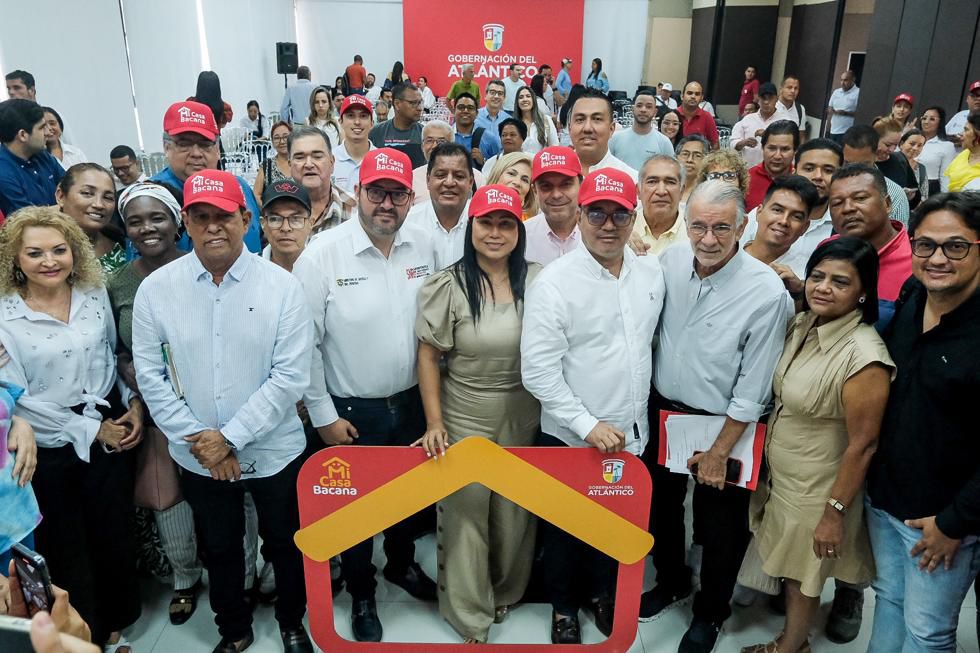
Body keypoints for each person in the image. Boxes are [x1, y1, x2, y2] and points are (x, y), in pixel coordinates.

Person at [131, 169, 314, 653]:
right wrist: (204, 442)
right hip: (198, 454)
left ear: (245, 220)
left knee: (285, 541)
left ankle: (292, 622)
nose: (213, 226)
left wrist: (229, 437)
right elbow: (151, 376)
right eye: (200, 217)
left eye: (224, 216)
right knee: (220, 545)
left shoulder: (282, 287)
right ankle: (234, 629)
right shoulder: (157, 290)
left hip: (273, 450)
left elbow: (289, 376)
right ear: (185, 223)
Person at [641, 180, 794, 653]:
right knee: (661, 510)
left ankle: (710, 612)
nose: (708, 240)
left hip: (726, 425)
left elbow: (753, 388)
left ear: (743, 226)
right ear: (685, 224)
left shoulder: (766, 293)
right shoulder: (668, 262)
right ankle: (672, 580)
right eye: (699, 227)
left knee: (723, 527)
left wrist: (720, 450)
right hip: (666, 413)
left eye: (721, 228)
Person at [292, 148, 438, 643]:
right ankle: (361, 591)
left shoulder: (424, 247)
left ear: (410, 199)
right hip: (351, 411)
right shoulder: (322, 255)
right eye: (377, 192)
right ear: (357, 193)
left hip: (412, 402)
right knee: (353, 510)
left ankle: (401, 564)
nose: (387, 204)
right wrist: (323, 416)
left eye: (397, 194)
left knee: (406, 499)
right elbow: (304, 345)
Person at [522, 167, 665, 644]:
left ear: (633, 218)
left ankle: (602, 595)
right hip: (571, 436)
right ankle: (563, 609)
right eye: (597, 213)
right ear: (580, 215)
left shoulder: (650, 273)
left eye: (619, 215)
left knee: (614, 524)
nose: (608, 224)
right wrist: (587, 425)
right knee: (564, 529)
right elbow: (538, 372)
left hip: (631, 433)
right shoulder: (554, 284)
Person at [0, 206, 143, 650]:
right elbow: (16, 396)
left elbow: (110, 356)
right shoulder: (4, 313)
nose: (49, 261)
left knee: (113, 531)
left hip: (108, 424)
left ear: (74, 251)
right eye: (35, 253)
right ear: (15, 258)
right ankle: (86, 633)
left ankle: (118, 621)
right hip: (46, 444)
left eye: (59, 250)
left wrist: (132, 401)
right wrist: (90, 431)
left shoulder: (93, 293)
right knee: (67, 545)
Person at [741, 237, 894, 653]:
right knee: (791, 568)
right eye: (817, 276)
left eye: (840, 281)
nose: (823, 287)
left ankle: (791, 647)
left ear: (863, 292)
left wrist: (834, 514)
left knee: (802, 577)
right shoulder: (806, 324)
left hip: (818, 489)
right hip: (785, 478)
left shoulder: (864, 356)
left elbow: (864, 445)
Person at [413, 184, 539, 644]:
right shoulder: (448, 285)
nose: (495, 233)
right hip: (464, 413)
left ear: (519, 231)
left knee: (514, 514)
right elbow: (429, 356)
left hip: (524, 415)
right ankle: (468, 614)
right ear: (471, 228)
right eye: (486, 223)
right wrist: (435, 422)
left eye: (506, 224)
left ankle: (504, 591)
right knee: (465, 517)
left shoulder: (539, 281)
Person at [869, 191, 980, 651]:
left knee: (927, 632)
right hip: (885, 499)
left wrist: (954, 523)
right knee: (889, 599)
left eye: (956, 246)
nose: (937, 259)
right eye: (925, 245)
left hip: (942, 519)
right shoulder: (914, 295)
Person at [107, 181, 210, 628]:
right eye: (135, 222)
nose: (147, 228)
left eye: (157, 218)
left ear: (177, 222)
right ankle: (184, 577)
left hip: (211, 400)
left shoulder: (203, 265)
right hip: (154, 407)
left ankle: (240, 572)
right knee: (169, 495)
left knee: (225, 491)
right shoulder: (117, 283)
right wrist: (126, 366)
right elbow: (111, 346)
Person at [151, 100, 263, 252]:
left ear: (217, 149)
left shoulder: (239, 186)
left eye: (205, 144)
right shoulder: (151, 198)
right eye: (184, 144)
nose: (196, 153)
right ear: (166, 147)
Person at [743, 139, 843, 292]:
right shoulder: (757, 217)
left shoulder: (841, 230)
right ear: (794, 170)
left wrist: (800, 290)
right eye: (809, 168)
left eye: (828, 170)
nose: (818, 176)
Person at [829, 163, 913, 331]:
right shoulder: (827, 249)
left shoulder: (916, 261)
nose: (848, 209)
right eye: (837, 203)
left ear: (887, 204)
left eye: (860, 198)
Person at [407, 143, 474, 269]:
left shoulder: (482, 221)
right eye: (440, 175)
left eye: (459, 176)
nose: (449, 182)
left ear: (470, 182)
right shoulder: (408, 223)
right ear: (428, 180)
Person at [742, 175, 820, 278]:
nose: (784, 221)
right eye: (777, 210)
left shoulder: (804, 275)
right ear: (759, 212)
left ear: (805, 227)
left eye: (796, 217)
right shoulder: (727, 255)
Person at [54, 164, 126, 273]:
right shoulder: (43, 248)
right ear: (61, 196)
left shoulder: (121, 242)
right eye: (87, 193)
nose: (99, 205)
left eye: (108, 197)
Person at [0, 99, 64, 217]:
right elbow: (29, 218)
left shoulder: (42, 154)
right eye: (42, 127)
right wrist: (71, 206)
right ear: (23, 135)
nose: (48, 132)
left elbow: (70, 184)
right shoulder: (3, 173)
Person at [288, 125, 354, 235]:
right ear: (289, 165)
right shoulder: (277, 211)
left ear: (332, 162)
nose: (309, 164)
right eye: (300, 157)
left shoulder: (355, 208)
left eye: (317, 156)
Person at [841, 125, 911, 225]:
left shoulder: (895, 195)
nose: (854, 172)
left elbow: (898, 234)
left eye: (863, 166)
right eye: (848, 164)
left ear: (876, 155)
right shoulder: (831, 186)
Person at [524, 146, 583, 264]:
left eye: (565, 184)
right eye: (546, 186)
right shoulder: (521, 237)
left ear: (581, 185)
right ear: (535, 190)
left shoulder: (601, 235)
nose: (556, 195)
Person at [411, 121, 485, 206]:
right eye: (429, 141)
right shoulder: (413, 177)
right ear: (422, 146)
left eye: (441, 141)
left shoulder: (476, 177)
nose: (434, 146)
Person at [568, 89, 637, 176]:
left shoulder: (630, 178)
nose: (587, 128)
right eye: (580, 120)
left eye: (597, 119)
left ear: (611, 129)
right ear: (569, 128)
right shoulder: (553, 175)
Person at [632, 155, 688, 255]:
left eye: (670, 182)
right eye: (652, 182)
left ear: (681, 191)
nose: (661, 191)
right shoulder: (623, 229)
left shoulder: (695, 232)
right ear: (638, 191)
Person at [609, 89, 675, 171]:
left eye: (648, 107)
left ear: (655, 112)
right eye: (639, 105)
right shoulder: (615, 138)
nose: (643, 110)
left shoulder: (664, 142)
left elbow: (671, 172)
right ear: (632, 109)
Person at [259, 178, 313, 271]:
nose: (285, 228)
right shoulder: (248, 270)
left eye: (295, 219)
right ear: (263, 224)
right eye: (275, 219)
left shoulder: (325, 268)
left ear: (311, 223)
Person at [745, 120, 800, 211]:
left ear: (795, 151)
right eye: (772, 148)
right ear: (762, 148)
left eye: (785, 149)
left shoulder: (801, 180)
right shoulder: (746, 178)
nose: (777, 156)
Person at [369, 82, 425, 168]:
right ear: (397, 104)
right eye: (413, 103)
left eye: (420, 102)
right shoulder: (377, 132)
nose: (419, 108)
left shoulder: (425, 134)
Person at [332, 95, 376, 197]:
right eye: (350, 116)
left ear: (372, 123)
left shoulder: (381, 161)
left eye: (363, 116)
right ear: (340, 122)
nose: (357, 122)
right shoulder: (329, 159)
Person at [731, 82, 780, 168]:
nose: (766, 102)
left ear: (776, 99)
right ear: (758, 100)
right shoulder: (747, 119)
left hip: (774, 171)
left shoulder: (784, 121)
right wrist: (743, 142)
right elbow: (732, 143)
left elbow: (789, 146)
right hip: (748, 170)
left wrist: (768, 135)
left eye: (770, 98)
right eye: (763, 98)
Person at [873, 118, 918, 198]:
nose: (892, 149)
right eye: (888, 145)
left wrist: (910, 196)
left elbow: (915, 189)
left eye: (896, 145)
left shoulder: (901, 159)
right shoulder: (863, 163)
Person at [917, 106, 956, 194]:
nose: (926, 122)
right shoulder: (912, 140)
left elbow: (945, 176)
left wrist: (944, 198)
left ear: (940, 122)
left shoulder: (947, 146)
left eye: (932, 119)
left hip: (930, 189)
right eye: (924, 118)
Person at [485, 151, 537, 218]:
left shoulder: (532, 222)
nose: (517, 182)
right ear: (496, 175)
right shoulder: (474, 213)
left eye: (525, 180)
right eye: (511, 174)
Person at [452, 93, 497, 168]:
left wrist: (484, 162)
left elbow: (498, 167)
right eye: (461, 107)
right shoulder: (445, 136)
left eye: (470, 108)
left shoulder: (489, 138)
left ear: (477, 113)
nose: (465, 111)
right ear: (453, 111)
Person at [253, 120, 293, 201]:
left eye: (285, 137)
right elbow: (256, 194)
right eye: (277, 138)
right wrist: (266, 208)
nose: (282, 141)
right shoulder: (267, 165)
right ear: (272, 142)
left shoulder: (301, 162)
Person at [942, 113, 980, 191]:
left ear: (978, 135)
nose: (961, 134)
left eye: (966, 130)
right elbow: (947, 181)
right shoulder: (963, 155)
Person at [515, 86, 558, 155]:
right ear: (517, 102)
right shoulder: (514, 124)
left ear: (533, 100)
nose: (525, 99)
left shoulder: (546, 120)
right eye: (521, 97)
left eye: (528, 96)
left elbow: (555, 147)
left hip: (542, 161)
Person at [678, 82, 719, 149]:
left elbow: (715, 143)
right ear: (682, 96)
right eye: (689, 93)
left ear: (701, 98)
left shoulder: (707, 117)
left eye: (697, 94)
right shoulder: (673, 115)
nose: (693, 97)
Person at [944, 79, 980, 148]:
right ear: (967, 99)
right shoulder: (960, 115)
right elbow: (943, 136)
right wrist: (953, 139)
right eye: (974, 95)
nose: (978, 99)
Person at [827, 71, 859, 143]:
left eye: (845, 80)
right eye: (841, 80)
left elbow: (861, 113)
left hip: (847, 131)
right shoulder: (836, 92)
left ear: (853, 80)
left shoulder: (858, 93)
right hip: (833, 129)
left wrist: (845, 113)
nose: (842, 83)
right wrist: (831, 111)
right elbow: (830, 107)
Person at [676, 135, 709, 206]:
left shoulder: (709, 192)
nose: (689, 160)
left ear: (706, 160)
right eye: (685, 154)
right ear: (677, 157)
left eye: (697, 155)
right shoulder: (668, 188)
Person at [900, 128, 930, 206]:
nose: (915, 148)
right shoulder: (890, 162)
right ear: (902, 144)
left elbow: (924, 196)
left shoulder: (921, 169)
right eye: (912, 144)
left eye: (919, 146)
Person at [306, 86, 341, 150]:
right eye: (317, 102)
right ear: (313, 104)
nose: (320, 105)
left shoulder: (337, 121)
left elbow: (342, 146)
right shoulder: (308, 121)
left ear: (329, 103)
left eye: (324, 101)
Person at [774, 75, 808, 140]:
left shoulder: (800, 109)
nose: (793, 91)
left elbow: (801, 136)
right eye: (789, 87)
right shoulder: (772, 105)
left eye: (796, 88)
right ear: (781, 89)